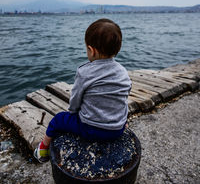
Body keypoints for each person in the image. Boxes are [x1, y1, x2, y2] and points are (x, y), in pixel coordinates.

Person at [34, 18, 132, 163]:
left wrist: (73, 113)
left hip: (90, 129)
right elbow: (125, 95)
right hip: (117, 129)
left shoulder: (84, 72)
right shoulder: (123, 72)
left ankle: (43, 149)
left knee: (58, 120)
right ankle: (122, 123)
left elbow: (75, 99)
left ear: (91, 50)